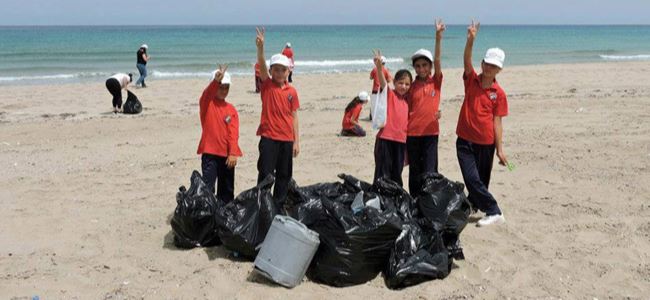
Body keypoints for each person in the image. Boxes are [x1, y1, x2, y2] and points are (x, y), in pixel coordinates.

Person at [456, 20, 509, 227]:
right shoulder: (471, 80)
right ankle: (494, 210)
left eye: (494, 65)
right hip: (465, 140)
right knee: (472, 178)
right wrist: (470, 40)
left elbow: (497, 122)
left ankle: (480, 208)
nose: (489, 67)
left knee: (481, 180)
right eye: (487, 63)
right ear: (482, 63)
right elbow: (466, 59)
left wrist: (500, 149)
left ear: (499, 70)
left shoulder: (500, 94)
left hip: (486, 143)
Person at [255, 27, 300, 206]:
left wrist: (296, 141)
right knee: (266, 175)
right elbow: (261, 63)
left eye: (283, 70)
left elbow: (294, 116)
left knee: (284, 176)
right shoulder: (267, 86)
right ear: (271, 71)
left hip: (287, 139)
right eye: (276, 70)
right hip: (269, 138)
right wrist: (260, 48)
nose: (280, 73)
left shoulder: (292, 91)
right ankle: (262, 207)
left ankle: (278, 207)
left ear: (288, 72)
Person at [406, 18, 446, 197]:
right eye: (418, 66)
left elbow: (438, 59)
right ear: (414, 68)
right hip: (412, 134)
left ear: (430, 67)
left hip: (431, 134)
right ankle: (415, 201)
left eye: (424, 65)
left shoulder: (435, 82)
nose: (421, 68)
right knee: (415, 171)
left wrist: (438, 36)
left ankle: (429, 201)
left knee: (430, 170)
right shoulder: (410, 86)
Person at [196, 65, 242, 202]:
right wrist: (215, 81)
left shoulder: (231, 109)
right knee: (208, 189)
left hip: (228, 157)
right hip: (210, 154)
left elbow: (233, 133)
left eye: (226, 87)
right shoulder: (207, 104)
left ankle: (224, 216)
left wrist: (233, 152)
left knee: (227, 191)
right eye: (220, 87)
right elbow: (206, 95)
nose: (223, 90)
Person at [371, 49, 410, 187]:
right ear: (394, 82)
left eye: (407, 84)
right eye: (400, 83)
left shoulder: (408, 101)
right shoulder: (390, 94)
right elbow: (382, 81)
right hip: (385, 139)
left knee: (396, 173)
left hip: (401, 142)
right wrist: (379, 67)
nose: (403, 86)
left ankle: (394, 199)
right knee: (382, 172)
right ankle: (380, 199)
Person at [369, 56, 392, 120]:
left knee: (374, 102)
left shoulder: (374, 69)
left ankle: (372, 116)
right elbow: (389, 80)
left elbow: (370, 77)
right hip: (382, 89)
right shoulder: (385, 70)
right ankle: (380, 116)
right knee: (382, 103)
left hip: (375, 89)